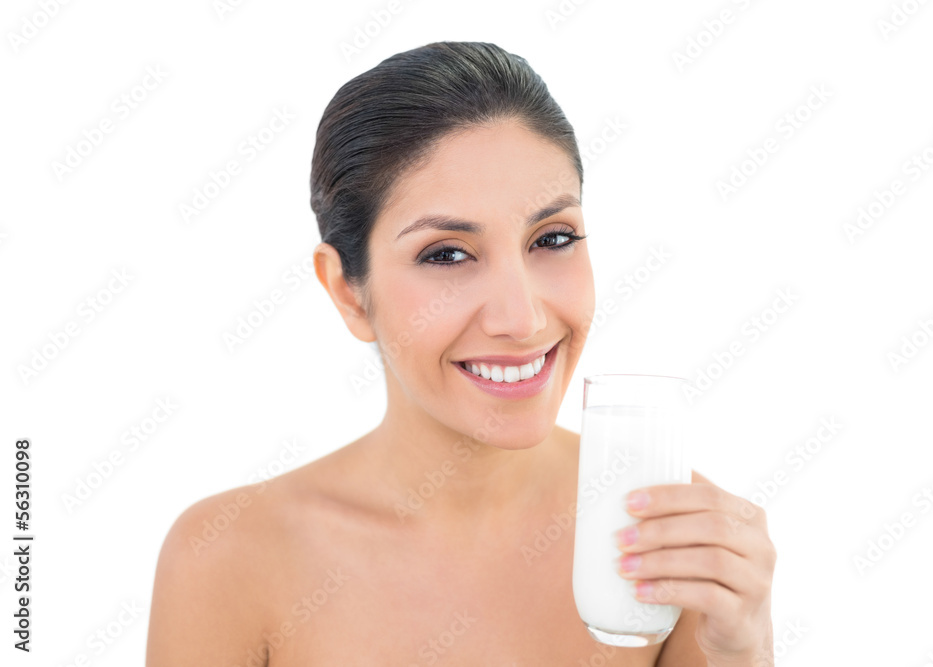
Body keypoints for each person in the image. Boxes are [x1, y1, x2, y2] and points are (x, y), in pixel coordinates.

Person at [146, 41, 776, 666]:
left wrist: (741, 653)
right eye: (447, 254)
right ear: (347, 292)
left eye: (553, 238)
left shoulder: (676, 539)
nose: (522, 318)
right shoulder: (227, 559)